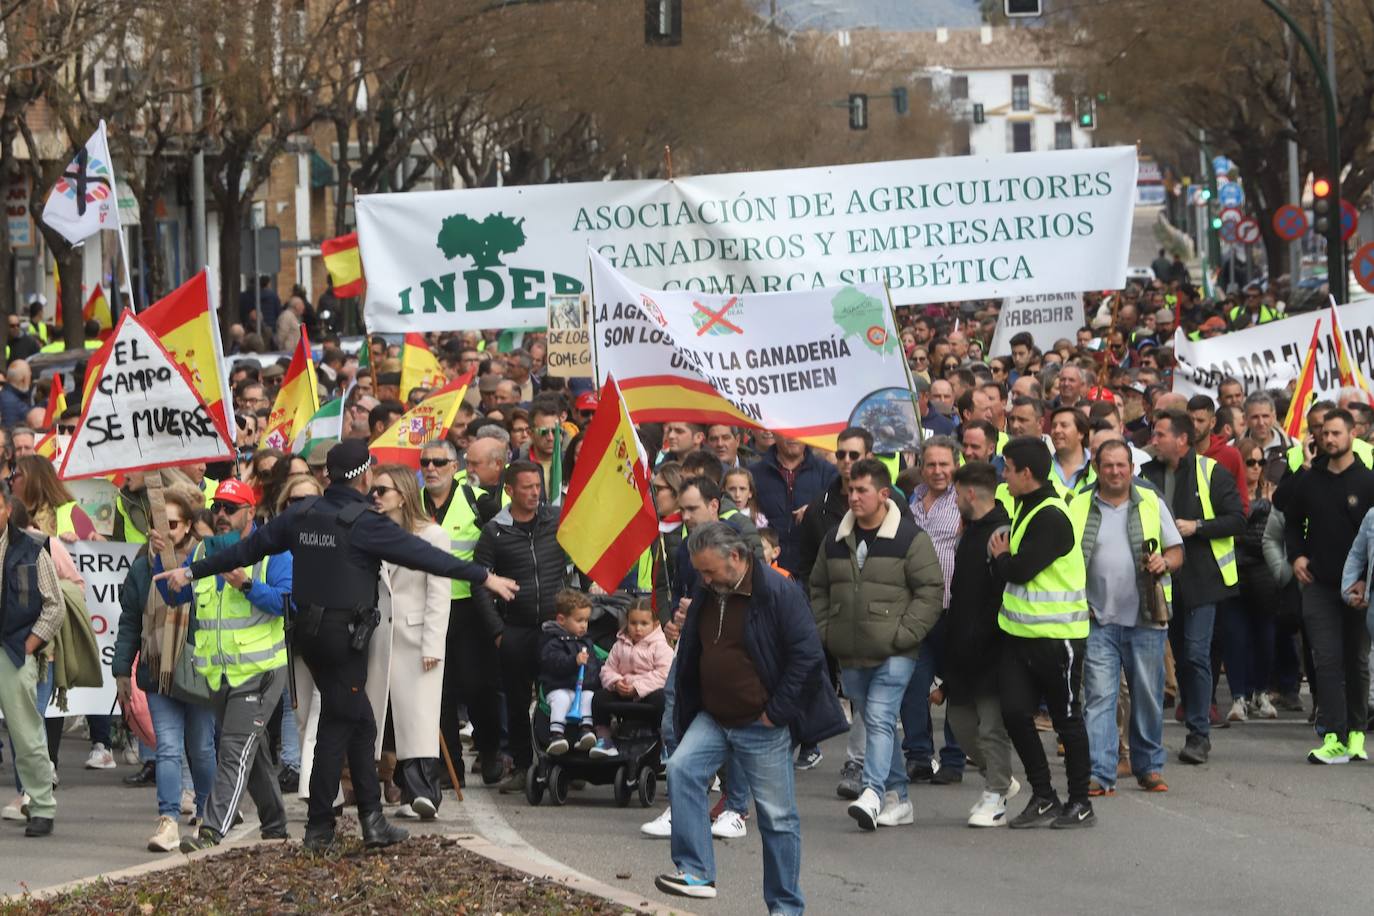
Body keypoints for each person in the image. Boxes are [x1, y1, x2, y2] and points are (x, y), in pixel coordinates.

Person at [154, 439, 519, 852]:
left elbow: (244, 550)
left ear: (328, 474)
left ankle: (371, 819)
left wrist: (192, 571)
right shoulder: (365, 521)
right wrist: (483, 577)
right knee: (337, 726)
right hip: (344, 639)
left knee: (361, 722)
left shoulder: (301, 514)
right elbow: (426, 556)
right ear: (364, 474)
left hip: (309, 635)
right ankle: (319, 827)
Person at [655, 522, 846, 912]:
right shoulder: (709, 589)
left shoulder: (777, 592)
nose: (704, 579)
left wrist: (775, 713)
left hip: (761, 723)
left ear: (738, 557)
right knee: (681, 769)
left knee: (778, 819)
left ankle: (785, 907)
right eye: (700, 573)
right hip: (713, 716)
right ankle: (696, 872)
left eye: (710, 571)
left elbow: (808, 658)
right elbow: (695, 648)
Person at [155, 480, 293, 852]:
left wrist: (247, 585)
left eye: (230, 508)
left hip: (260, 672)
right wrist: (163, 558)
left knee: (233, 750)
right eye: (217, 507)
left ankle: (212, 829)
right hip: (219, 675)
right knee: (254, 749)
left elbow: (289, 604)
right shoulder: (203, 549)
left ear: (251, 512)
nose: (221, 515)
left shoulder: (274, 552)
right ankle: (276, 826)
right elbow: (176, 592)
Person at [809, 459, 942, 831]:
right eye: (850, 489)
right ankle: (899, 797)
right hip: (850, 649)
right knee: (873, 720)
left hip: (896, 651)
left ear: (884, 494)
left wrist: (905, 635)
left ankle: (872, 792)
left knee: (881, 717)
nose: (853, 496)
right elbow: (817, 586)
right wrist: (827, 630)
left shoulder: (910, 538)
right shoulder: (835, 538)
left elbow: (930, 591)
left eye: (861, 490)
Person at [989, 436, 1094, 829]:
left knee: (1067, 719)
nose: (1004, 476)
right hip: (1020, 637)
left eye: (1008, 469)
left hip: (1058, 639)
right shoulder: (1026, 507)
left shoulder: (1051, 515)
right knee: (1015, 713)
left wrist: (1001, 558)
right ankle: (1044, 795)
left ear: (1026, 474)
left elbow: (1019, 569)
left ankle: (1081, 801)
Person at [1073, 441, 1183, 796]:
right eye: (1108, 466)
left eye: (1122, 465)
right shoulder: (1078, 505)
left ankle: (1149, 766)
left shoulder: (1151, 502)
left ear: (1131, 468)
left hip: (1146, 619)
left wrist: (1164, 562)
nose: (1115, 472)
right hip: (1096, 618)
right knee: (1100, 697)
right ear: (1096, 467)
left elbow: (1177, 550)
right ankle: (1100, 773)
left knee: (1147, 696)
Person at [113, 485, 216, 852]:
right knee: (169, 748)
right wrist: (122, 671)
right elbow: (128, 622)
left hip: (199, 668)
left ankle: (207, 811)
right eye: (158, 523)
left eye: (171, 523)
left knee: (201, 747)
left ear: (187, 525)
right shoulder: (142, 567)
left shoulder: (205, 563)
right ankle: (169, 819)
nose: (164, 530)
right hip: (158, 668)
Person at [1141, 409, 1246, 766]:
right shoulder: (1146, 474)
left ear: (1182, 440)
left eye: (1160, 435)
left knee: (1196, 654)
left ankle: (1198, 736)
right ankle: (1153, 733)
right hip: (1161, 580)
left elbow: (1238, 518)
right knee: (1174, 658)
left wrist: (1198, 526)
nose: (1154, 441)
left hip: (1202, 582)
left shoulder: (1210, 472)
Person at [1286, 409, 1374, 764]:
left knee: (1356, 660)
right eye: (1325, 433)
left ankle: (1356, 733)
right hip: (1319, 584)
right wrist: (1297, 556)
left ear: (1353, 435)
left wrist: (1367, 579)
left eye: (1337, 433)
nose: (1329, 439)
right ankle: (1332, 735)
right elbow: (1290, 522)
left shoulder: (1368, 482)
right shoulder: (1310, 480)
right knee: (1326, 660)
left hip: (1358, 587)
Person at [472, 460, 565, 793]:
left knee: (558, 693)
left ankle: (562, 764)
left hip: (556, 628)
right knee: (515, 700)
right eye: (527, 487)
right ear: (509, 490)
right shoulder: (494, 532)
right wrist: (498, 631)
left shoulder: (556, 520)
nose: (535, 493)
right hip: (516, 629)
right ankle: (522, 764)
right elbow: (480, 583)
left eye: (538, 486)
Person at [366, 465, 451, 819]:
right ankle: (394, 789)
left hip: (416, 640)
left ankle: (424, 793)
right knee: (381, 720)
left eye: (382, 490)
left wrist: (433, 644)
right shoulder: (372, 533)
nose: (375, 496)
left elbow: (439, 593)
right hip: (379, 639)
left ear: (402, 495)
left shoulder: (432, 536)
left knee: (418, 718)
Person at [420, 438, 506, 785]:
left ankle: (488, 751)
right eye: (425, 462)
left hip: (469, 607)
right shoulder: (413, 503)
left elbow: (502, 542)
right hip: (427, 608)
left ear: (454, 466)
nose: (430, 468)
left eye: (439, 462)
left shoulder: (478, 501)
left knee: (477, 686)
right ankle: (448, 764)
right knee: (437, 691)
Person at [944, 461, 1019, 826]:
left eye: (957, 494)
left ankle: (996, 795)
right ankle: (1000, 777)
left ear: (970, 494)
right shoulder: (969, 532)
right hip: (961, 648)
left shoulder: (1001, 533)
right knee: (961, 724)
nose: (955, 500)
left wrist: (986, 635)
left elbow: (1001, 593)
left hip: (993, 648)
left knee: (991, 726)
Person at [0, 486, 64, 837]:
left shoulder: (32, 549)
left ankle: (40, 805)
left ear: (7, 508)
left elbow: (55, 605)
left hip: (13, 650)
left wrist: (28, 644)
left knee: (26, 734)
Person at [902, 437, 965, 784]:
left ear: (954, 465)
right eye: (932, 465)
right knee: (914, 685)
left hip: (952, 610)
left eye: (944, 464)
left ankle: (954, 758)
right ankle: (919, 754)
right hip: (916, 610)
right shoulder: (910, 506)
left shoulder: (963, 504)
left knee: (954, 684)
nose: (938, 471)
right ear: (922, 467)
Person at [591, 599, 672, 758]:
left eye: (643, 623)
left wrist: (637, 687)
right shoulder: (620, 645)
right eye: (633, 623)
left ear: (655, 625)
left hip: (647, 693)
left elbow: (664, 673)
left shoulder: (660, 646)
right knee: (599, 697)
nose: (638, 628)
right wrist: (616, 682)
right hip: (623, 691)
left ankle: (665, 741)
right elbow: (608, 669)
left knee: (662, 698)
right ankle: (605, 740)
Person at [748, 436, 838, 578]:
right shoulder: (754, 473)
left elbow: (839, 510)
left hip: (813, 571)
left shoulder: (827, 472)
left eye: (797, 431)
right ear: (775, 432)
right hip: (767, 572)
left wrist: (814, 508)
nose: (793, 437)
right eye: (786, 431)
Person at [540, 590, 601, 755]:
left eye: (586, 620)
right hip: (559, 686)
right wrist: (573, 661)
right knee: (562, 698)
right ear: (561, 620)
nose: (584, 625)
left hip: (580, 688)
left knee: (589, 697)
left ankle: (586, 730)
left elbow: (594, 665)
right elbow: (553, 664)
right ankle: (556, 734)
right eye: (579, 620)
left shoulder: (586, 642)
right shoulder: (553, 642)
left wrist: (593, 678)